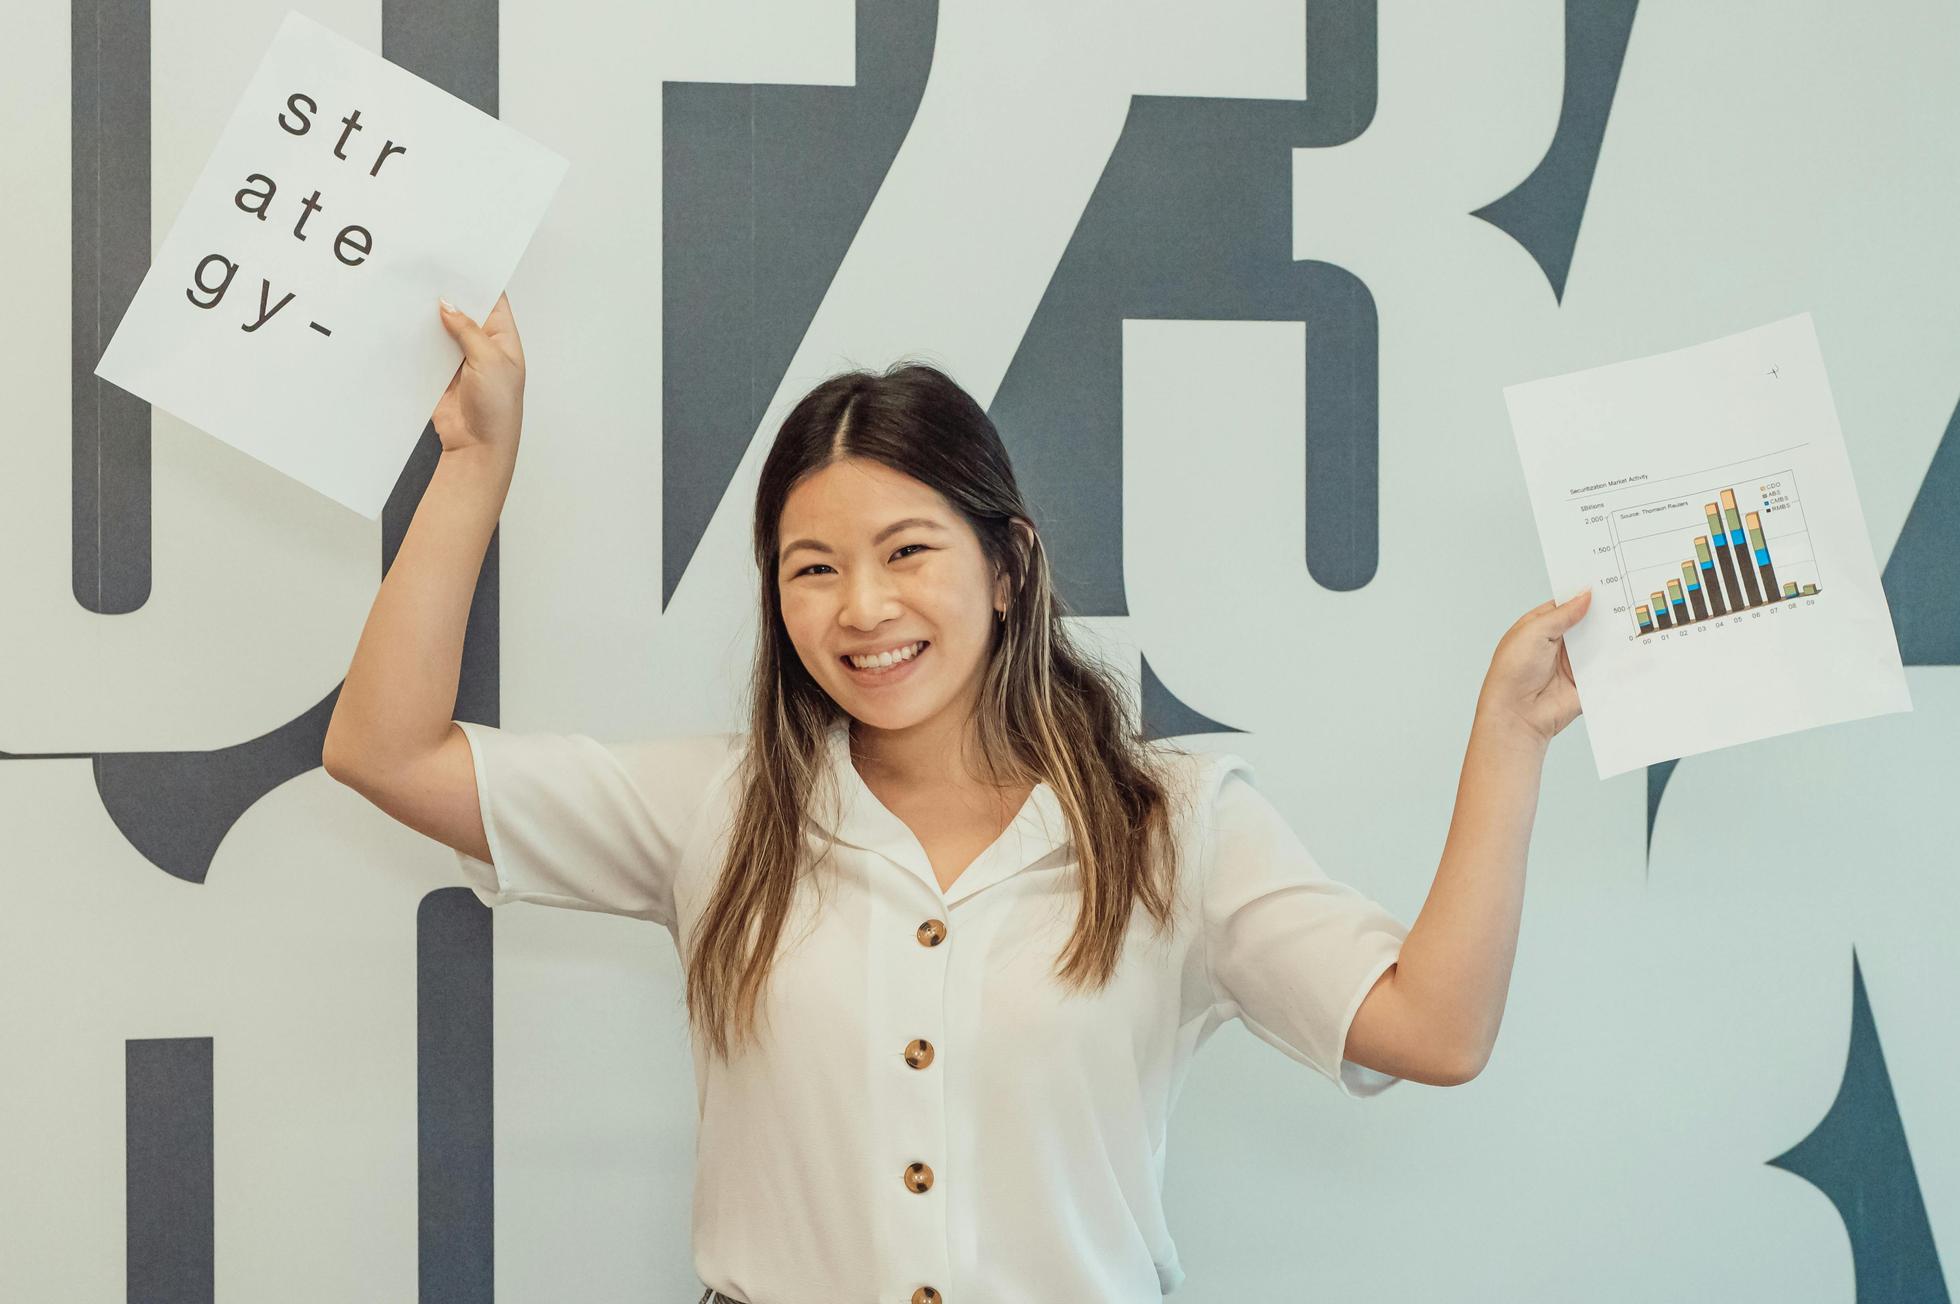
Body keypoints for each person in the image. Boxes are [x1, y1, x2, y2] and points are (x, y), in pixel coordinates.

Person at [323, 294, 1594, 1304]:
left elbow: (1433, 1029)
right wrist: (476, 460)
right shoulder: (717, 805)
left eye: (907, 550)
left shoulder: (1172, 821)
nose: (862, 607)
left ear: (1007, 564)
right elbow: (387, 749)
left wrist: (1509, 735)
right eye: (812, 568)